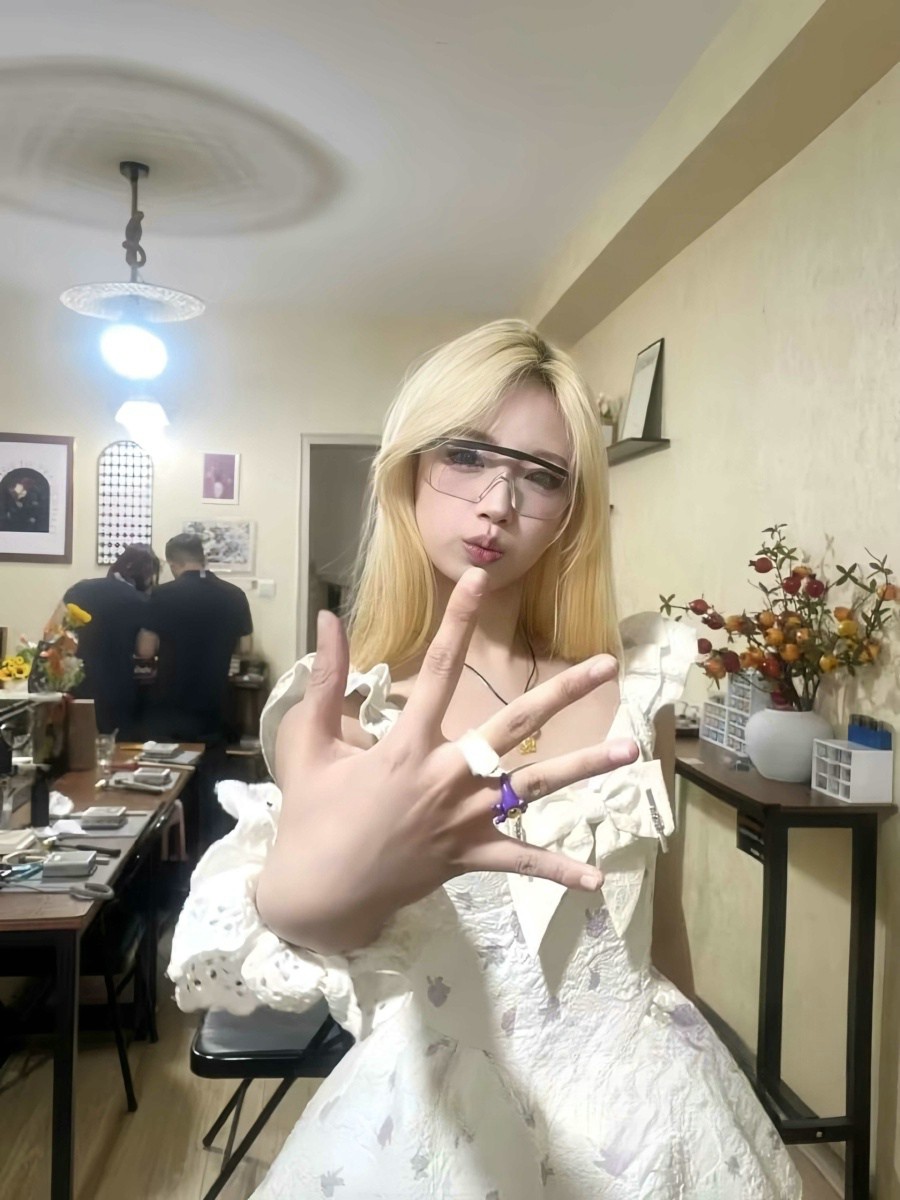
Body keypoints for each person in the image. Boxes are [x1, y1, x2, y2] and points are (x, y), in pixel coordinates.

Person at [169, 321, 801, 1198]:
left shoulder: (634, 687)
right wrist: (315, 889)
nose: (499, 503)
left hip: (652, 1111)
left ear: (573, 508)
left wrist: (696, 1074)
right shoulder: (344, 707)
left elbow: (661, 927)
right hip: (433, 1133)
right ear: (407, 467)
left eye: (541, 475)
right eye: (465, 456)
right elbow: (307, 919)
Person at [137, 533, 253, 744]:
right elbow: (245, 648)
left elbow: (146, 650)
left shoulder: (160, 595)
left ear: (173, 564)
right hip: (214, 706)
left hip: (171, 706)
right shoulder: (235, 595)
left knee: (170, 760)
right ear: (203, 558)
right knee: (211, 759)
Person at [45, 544, 159, 736]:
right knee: (112, 745)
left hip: (76, 685)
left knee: (78, 743)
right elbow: (145, 650)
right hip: (117, 687)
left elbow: (50, 633)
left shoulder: (80, 589)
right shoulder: (142, 601)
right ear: (147, 576)